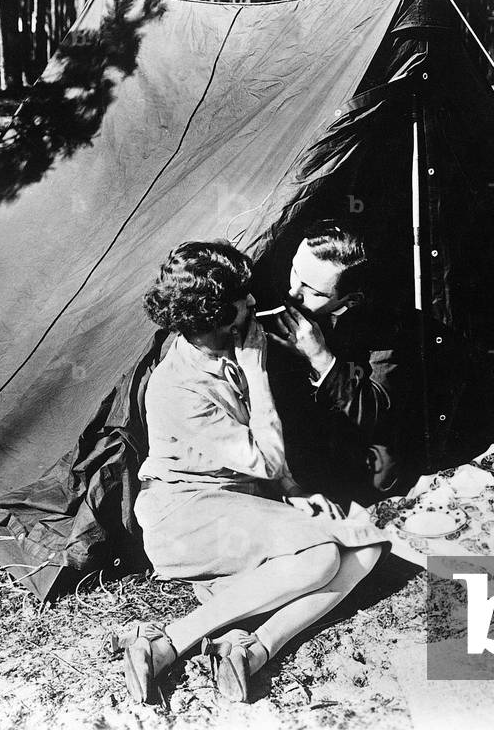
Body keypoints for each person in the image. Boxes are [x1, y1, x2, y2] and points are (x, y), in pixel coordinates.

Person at [116, 240, 388, 704]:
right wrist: (258, 372)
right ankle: (169, 643)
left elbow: (268, 466)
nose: (254, 302)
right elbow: (266, 458)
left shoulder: (228, 349)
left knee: (370, 547)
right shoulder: (177, 387)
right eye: (243, 300)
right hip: (185, 513)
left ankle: (250, 650)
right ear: (219, 320)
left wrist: (292, 490)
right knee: (323, 558)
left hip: (241, 502)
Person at [264, 220, 427, 504]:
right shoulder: (282, 288)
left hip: (348, 458)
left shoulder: (387, 329)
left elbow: (377, 414)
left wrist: (319, 357)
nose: (293, 293)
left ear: (351, 301)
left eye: (314, 292)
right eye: (295, 272)